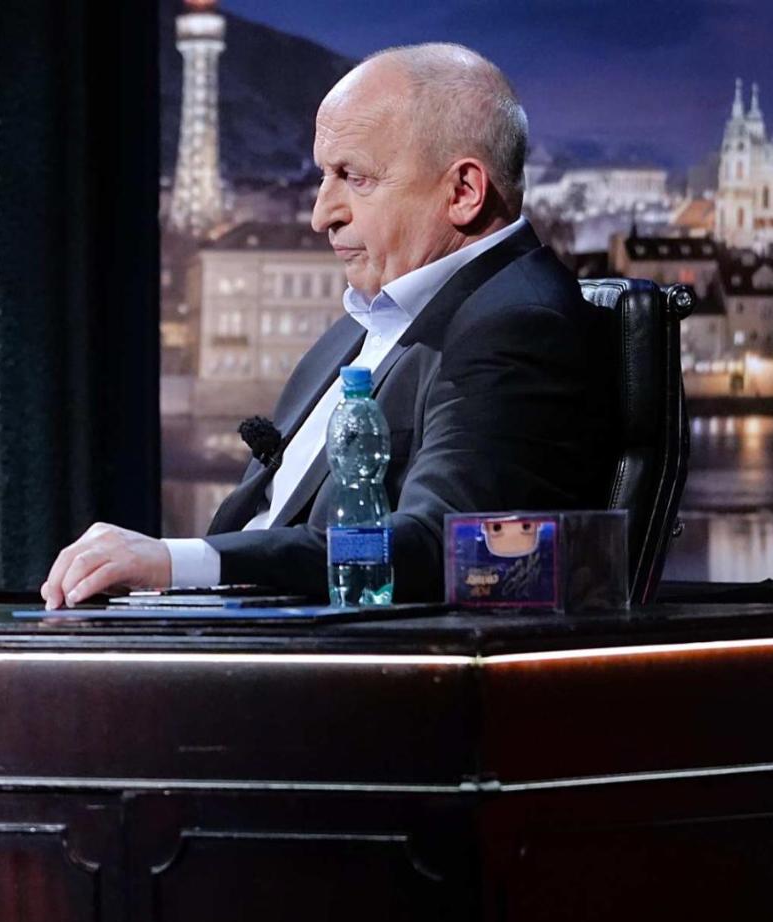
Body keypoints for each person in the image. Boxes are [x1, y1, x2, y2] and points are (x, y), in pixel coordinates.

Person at [41, 43, 614, 607]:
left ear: (463, 192)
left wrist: (179, 562)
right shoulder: (358, 328)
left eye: (354, 177)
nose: (321, 214)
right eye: (323, 176)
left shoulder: (518, 325)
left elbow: (442, 544)